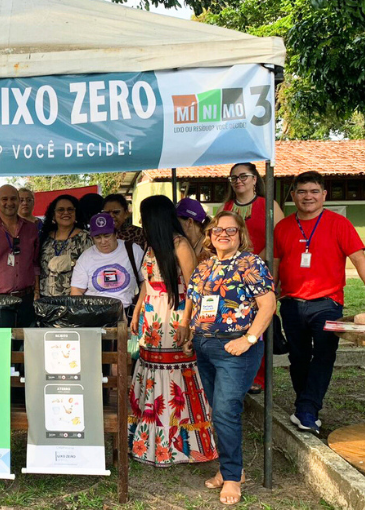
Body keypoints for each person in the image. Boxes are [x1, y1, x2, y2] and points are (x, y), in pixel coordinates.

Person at [275, 171, 365, 435]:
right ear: (293, 195)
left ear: (324, 195)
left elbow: (359, 259)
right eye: (302, 191)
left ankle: (307, 409)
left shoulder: (339, 224)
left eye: (314, 191)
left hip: (327, 304)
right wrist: (268, 297)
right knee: (298, 357)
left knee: (325, 354)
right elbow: (275, 265)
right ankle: (305, 405)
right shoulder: (283, 227)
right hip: (292, 304)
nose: (308, 196)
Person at [187, 210, 276, 505]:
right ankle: (229, 470)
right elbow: (196, 303)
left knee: (226, 411)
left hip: (235, 350)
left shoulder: (250, 263)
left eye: (231, 230)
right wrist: (189, 334)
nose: (223, 235)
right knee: (219, 411)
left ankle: (233, 476)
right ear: (210, 235)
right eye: (217, 230)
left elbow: (268, 305)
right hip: (204, 346)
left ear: (241, 235)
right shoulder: (204, 266)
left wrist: (248, 339)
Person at [127, 195, 217, 469]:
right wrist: (137, 310)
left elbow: (193, 288)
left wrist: (186, 323)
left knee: (173, 375)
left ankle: (175, 445)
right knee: (150, 372)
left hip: (173, 315)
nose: (141, 223)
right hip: (152, 318)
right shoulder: (152, 246)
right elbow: (146, 283)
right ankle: (149, 442)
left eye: (144, 217)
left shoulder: (181, 246)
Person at [223, 163, 285, 394]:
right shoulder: (227, 207)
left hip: (260, 272)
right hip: (231, 276)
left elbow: (279, 238)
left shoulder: (268, 205)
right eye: (234, 178)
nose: (239, 181)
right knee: (235, 319)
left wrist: (253, 261)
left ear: (255, 179)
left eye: (244, 176)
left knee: (260, 322)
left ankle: (258, 377)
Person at [0, 184, 40, 327]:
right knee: (1, 345)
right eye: (4, 199)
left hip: (26, 299)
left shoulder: (31, 229)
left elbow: (35, 264)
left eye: (13, 199)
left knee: (25, 345)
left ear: (18, 201)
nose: (9, 203)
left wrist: (37, 292)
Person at [71, 213, 145, 312]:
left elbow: (145, 281)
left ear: (116, 234)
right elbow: (77, 290)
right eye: (98, 237)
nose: (103, 241)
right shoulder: (86, 257)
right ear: (92, 239)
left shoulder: (132, 250)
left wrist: (138, 310)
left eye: (107, 236)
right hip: (95, 313)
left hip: (126, 311)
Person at [38, 195, 92, 297]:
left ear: (76, 213)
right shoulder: (44, 238)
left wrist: (72, 263)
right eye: (61, 210)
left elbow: (93, 267)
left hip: (74, 301)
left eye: (70, 209)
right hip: (45, 301)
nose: (66, 213)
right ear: (53, 215)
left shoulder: (86, 238)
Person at [175, 198, 211, 262]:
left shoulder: (209, 249)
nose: (173, 226)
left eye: (176, 222)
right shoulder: (188, 244)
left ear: (189, 222)